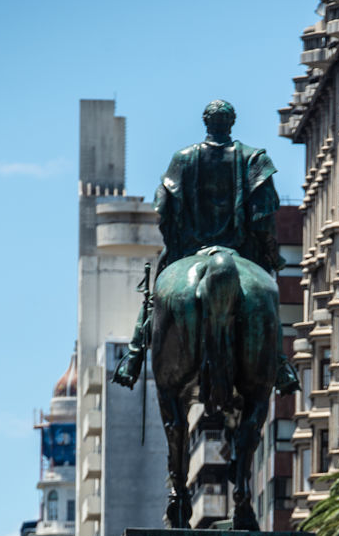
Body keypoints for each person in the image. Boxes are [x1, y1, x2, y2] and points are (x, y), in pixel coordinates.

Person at [113, 98, 298, 395]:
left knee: (153, 296)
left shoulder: (183, 159)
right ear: (232, 122)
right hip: (242, 253)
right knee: (269, 303)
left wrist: (175, 243)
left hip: (189, 249)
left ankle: (134, 357)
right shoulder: (254, 159)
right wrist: (271, 253)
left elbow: (165, 209)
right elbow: (264, 218)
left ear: (206, 123)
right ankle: (279, 363)